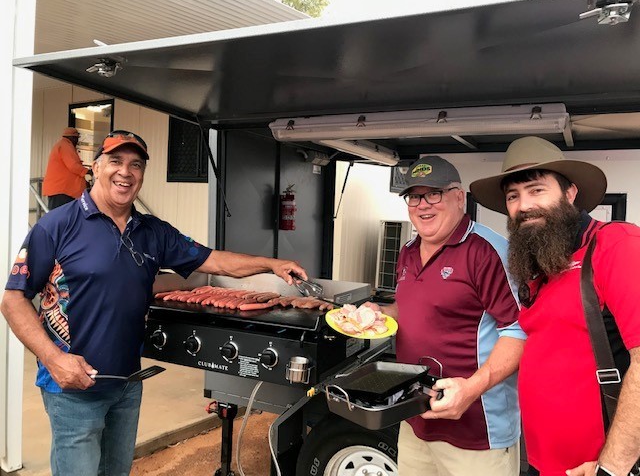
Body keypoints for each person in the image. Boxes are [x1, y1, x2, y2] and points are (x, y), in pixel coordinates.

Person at [1, 130, 308, 476]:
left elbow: (215, 261)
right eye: (115, 161)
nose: (125, 172)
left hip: (127, 384)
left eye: (136, 164)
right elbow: (13, 299)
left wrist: (272, 264)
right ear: (96, 167)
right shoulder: (56, 226)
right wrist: (54, 359)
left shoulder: (153, 232)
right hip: (73, 388)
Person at [469, 136, 640, 476]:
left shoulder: (616, 245)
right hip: (542, 463)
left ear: (570, 193)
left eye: (536, 190)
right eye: (513, 196)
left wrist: (614, 466)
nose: (524, 205)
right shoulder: (544, 264)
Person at [367, 155, 526, 476]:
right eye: (414, 196)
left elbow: (519, 330)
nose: (423, 205)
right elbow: (410, 311)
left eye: (434, 194)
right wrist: (379, 314)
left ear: (459, 197)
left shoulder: (487, 251)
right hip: (415, 419)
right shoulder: (408, 250)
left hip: (476, 430)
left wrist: (470, 389)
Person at [42, 127, 91, 210]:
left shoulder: (62, 145)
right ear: (72, 137)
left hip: (62, 190)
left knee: (61, 218)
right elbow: (73, 165)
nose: (77, 142)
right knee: (60, 218)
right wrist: (88, 171)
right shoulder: (66, 146)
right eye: (76, 139)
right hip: (62, 191)